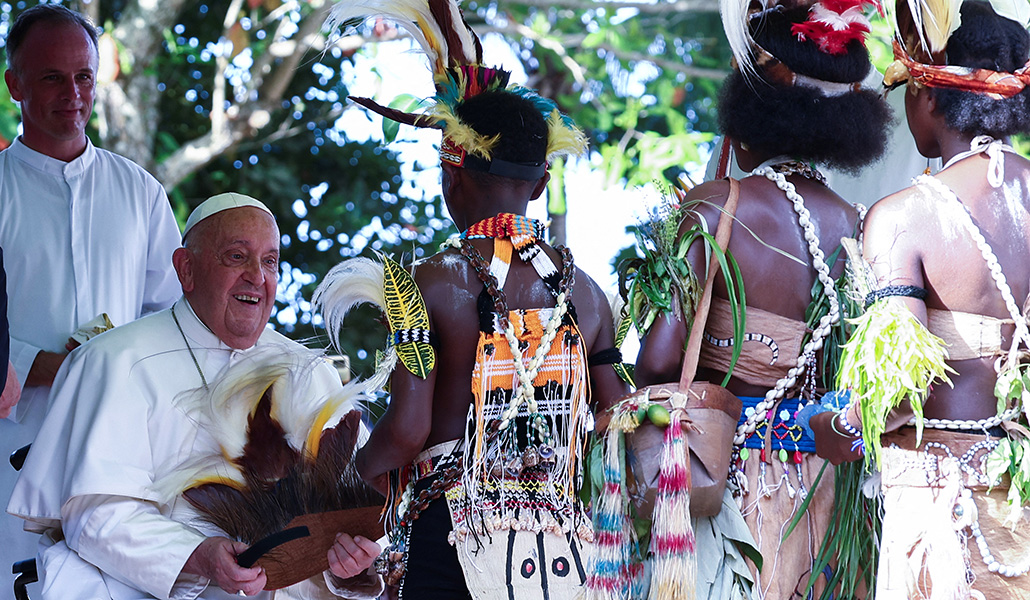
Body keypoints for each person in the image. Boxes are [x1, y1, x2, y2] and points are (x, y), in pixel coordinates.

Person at [318, 3, 627, 597]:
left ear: (449, 175)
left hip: (453, 545)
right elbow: (618, 420)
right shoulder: (588, 298)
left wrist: (344, 482)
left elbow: (408, 431)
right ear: (540, 184)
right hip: (562, 554)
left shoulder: (419, 287)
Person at [630, 0, 891, 597]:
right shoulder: (860, 225)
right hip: (825, 494)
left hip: (723, 490)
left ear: (749, 107)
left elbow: (659, 362)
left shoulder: (715, 205)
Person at [6, 193, 383, 599]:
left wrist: (349, 568)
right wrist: (197, 556)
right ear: (186, 270)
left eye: (270, 261)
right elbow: (95, 516)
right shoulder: (111, 360)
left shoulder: (308, 371)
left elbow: (350, 516)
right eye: (237, 257)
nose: (257, 276)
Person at [813, 1, 1030, 597]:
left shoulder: (904, 216)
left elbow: (891, 387)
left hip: (941, 501)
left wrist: (832, 427)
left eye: (905, 87)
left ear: (930, 96)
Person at [0, 4, 182, 584]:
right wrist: (45, 367)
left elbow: (176, 317)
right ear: (15, 85)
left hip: (119, 450)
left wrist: (115, 371)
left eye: (83, 77)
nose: (72, 93)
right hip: (12, 442)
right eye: (52, 77)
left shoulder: (140, 192)